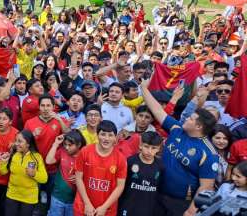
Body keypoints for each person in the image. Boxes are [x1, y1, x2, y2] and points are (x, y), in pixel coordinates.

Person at [140, 82, 219, 216]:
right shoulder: (176, 129)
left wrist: (191, 211)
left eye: (191, 118)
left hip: (180, 204)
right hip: (155, 193)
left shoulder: (209, 153)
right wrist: (143, 88)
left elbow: (206, 187)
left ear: (198, 127)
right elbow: (157, 110)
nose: (186, 118)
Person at [74, 120, 127, 216]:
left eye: (110, 135)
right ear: (97, 135)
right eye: (103, 134)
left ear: (115, 137)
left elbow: (120, 186)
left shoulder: (120, 159)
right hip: (83, 206)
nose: (106, 138)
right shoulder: (85, 151)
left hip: (107, 209)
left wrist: (104, 207)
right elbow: (78, 178)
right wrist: (87, 203)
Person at [0, 130, 48, 216]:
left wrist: (34, 174)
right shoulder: (14, 154)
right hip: (12, 195)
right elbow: (3, 172)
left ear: (28, 144)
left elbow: (44, 179)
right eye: (16, 140)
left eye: (20, 141)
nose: (16, 143)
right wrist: (3, 162)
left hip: (29, 198)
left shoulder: (37, 157)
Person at [118, 131, 164, 216]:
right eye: (146, 147)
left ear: (158, 148)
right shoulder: (130, 162)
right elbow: (120, 186)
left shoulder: (160, 166)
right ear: (140, 145)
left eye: (153, 148)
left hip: (147, 210)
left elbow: (159, 190)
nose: (149, 151)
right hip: (128, 208)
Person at [46, 130, 86, 216]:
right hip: (57, 197)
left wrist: (80, 178)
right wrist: (56, 144)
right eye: (65, 144)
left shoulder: (84, 156)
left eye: (70, 145)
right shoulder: (62, 151)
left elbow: (90, 176)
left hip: (74, 201)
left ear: (79, 145)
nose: (67, 147)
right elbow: (48, 161)